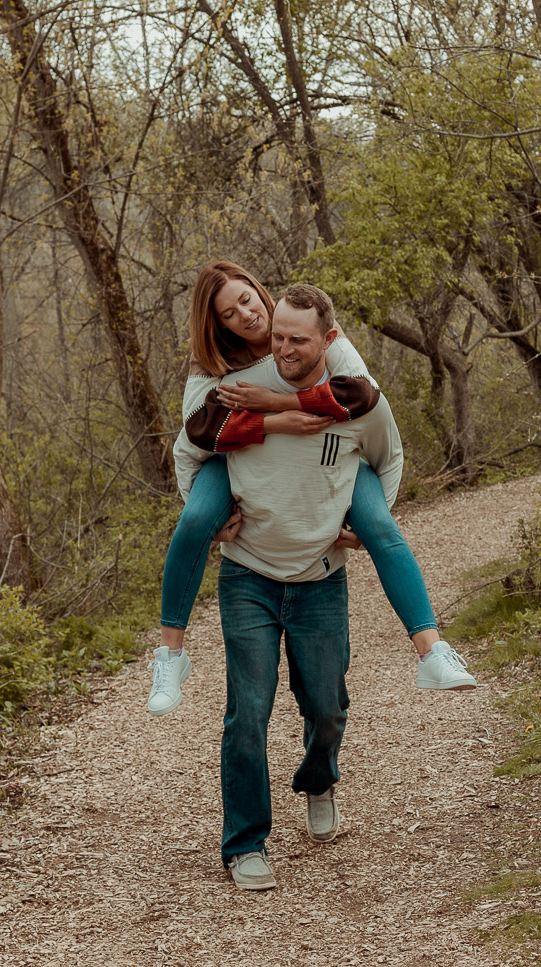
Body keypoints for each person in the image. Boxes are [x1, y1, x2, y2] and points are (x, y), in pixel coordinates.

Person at [144, 260, 475, 717]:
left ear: (259, 291)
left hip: (332, 457)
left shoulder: (308, 325)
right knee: (196, 519)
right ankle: (170, 656)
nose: (246, 315)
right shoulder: (215, 361)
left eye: (247, 300)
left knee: (380, 524)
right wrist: (275, 421)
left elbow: (361, 394)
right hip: (234, 457)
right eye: (228, 314)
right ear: (216, 324)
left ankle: (432, 651)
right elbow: (198, 429)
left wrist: (277, 400)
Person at [211, 283, 408, 888]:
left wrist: (365, 522)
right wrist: (211, 519)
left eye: (298, 339)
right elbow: (191, 450)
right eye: (278, 338)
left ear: (328, 339)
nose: (285, 348)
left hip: (321, 578)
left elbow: (389, 456)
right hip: (247, 574)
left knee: (327, 706)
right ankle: (245, 843)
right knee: (248, 714)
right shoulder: (236, 387)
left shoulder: (349, 396)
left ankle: (319, 780)